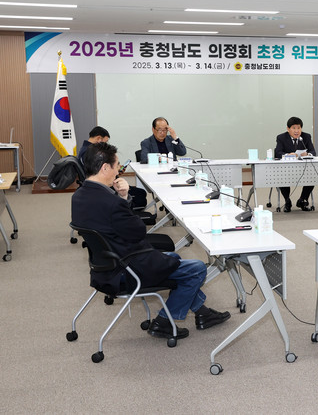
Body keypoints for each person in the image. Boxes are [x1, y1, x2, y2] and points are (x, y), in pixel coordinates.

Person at [72, 142, 230, 339]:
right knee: (196, 269)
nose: (118, 171)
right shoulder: (111, 202)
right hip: (127, 269)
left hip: (104, 267)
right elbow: (139, 231)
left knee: (174, 259)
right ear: (105, 168)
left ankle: (202, 312)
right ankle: (164, 322)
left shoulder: (78, 196)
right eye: (116, 166)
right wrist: (124, 197)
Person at [80, 125, 148, 210]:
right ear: (99, 138)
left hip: (101, 185)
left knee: (141, 193)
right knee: (141, 194)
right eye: (105, 142)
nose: (106, 145)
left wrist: (115, 170)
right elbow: (100, 173)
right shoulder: (91, 153)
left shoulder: (86, 150)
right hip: (107, 186)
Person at [274, 116, 316, 212]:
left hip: (303, 168)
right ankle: (287, 201)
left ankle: (302, 200)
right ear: (288, 129)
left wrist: (308, 154)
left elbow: (313, 152)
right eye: (294, 128)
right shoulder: (281, 138)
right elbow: (278, 153)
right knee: (282, 179)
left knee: (313, 177)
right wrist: (288, 155)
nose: (296, 131)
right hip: (286, 169)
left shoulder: (306, 137)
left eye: (299, 128)